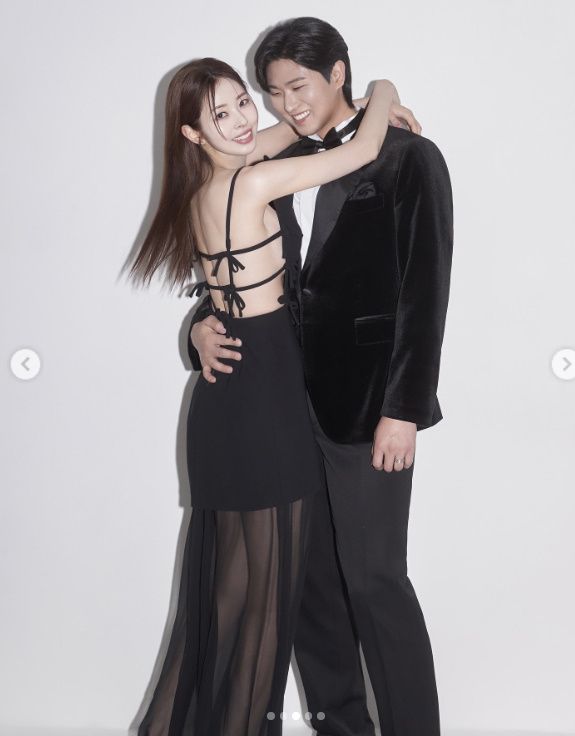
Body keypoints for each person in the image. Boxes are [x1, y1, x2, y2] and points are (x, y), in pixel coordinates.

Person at [189, 17, 454, 736]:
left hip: (367, 410)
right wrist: (199, 327)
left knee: (374, 580)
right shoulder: (272, 163)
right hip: (277, 408)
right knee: (308, 589)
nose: (286, 105)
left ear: (338, 73)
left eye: (297, 87)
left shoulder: (407, 157)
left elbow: (424, 294)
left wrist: (403, 409)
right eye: (273, 93)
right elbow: (247, 278)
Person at [129, 56, 400, 736]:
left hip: (228, 405)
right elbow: (361, 150)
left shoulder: (213, 184)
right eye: (220, 115)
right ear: (192, 134)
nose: (243, 120)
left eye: (242, 102)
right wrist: (381, 90)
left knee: (225, 605)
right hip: (264, 406)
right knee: (264, 613)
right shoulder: (252, 184)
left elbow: (292, 132)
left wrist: (328, 113)